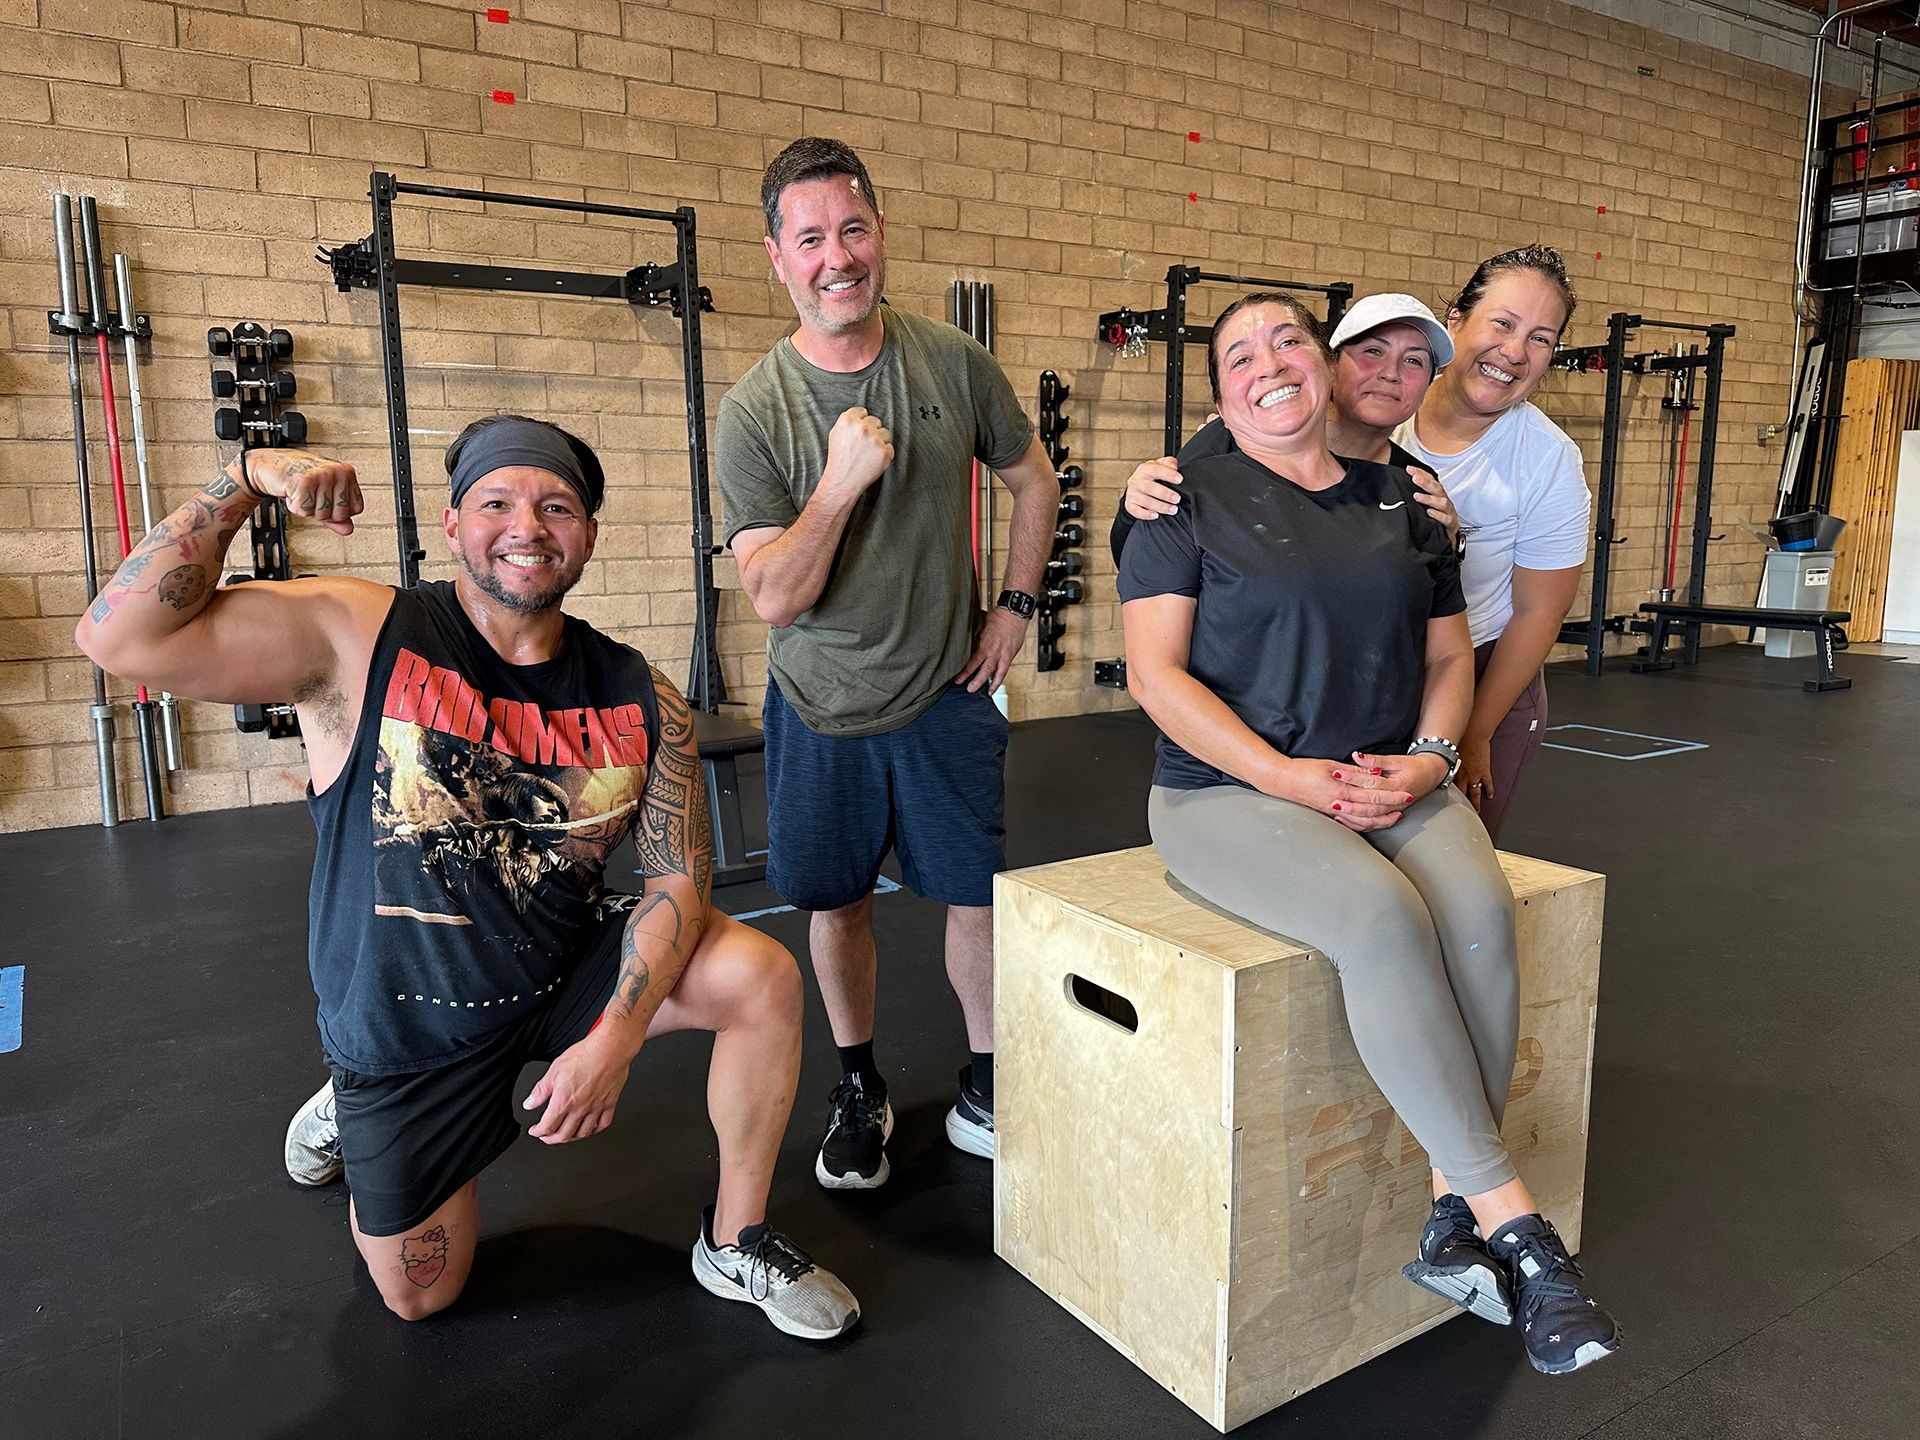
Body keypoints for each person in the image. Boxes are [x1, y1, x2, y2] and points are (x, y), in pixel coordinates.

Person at [74, 417, 860, 1339]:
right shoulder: (362, 636)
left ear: (589, 537)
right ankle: (348, 1096)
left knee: (760, 974)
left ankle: (736, 1239)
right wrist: (247, 478)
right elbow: (117, 637)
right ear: (453, 527)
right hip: (407, 1018)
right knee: (423, 1295)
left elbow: (677, 879)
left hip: (560, 966)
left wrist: (617, 1036)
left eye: (557, 506)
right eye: (497, 502)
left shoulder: (638, 690)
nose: (527, 525)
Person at [1118, 293, 1619, 1376]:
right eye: (1240, 354)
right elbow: (1154, 676)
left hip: (1391, 777)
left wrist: (1435, 759)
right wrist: (1289, 778)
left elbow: (1451, 660)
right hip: (1227, 794)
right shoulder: (1178, 501)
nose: (1269, 363)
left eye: (1285, 339)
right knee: (1386, 922)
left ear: (1319, 361)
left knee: (1483, 910)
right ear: (1219, 394)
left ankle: (1449, 1219)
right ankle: (1521, 1233)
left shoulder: (1408, 501)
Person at [713, 138, 1061, 1190]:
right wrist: (839, 483)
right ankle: (857, 1081)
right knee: (839, 905)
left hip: (951, 688)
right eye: (810, 238)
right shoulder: (756, 412)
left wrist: (1013, 610)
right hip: (820, 705)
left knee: (975, 898)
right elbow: (775, 594)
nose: (837, 258)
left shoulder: (951, 361)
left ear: (881, 236)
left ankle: (990, 1079)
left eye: (852, 230)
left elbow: (1035, 483)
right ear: (778, 258)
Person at [1392, 245, 1590, 841]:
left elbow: (1539, 612)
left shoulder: (1549, 460)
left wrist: (1473, 731)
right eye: (1502, 323)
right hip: (1374, 662)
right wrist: (1166, 478)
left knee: (1446, 864)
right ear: (1455, 321)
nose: (1514, 352)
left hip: (1486, 672)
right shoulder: (1383, 407)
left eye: (1541, 338)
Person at [1108, 291, 1461, 568]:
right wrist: (1134, 502)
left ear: (1430, 383)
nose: (1391, 373)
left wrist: (1451, 543)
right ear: (1330, 364)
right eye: (1373, 351)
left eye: (1414, 360)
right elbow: (1138, 549)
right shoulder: (1232, 440)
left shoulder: (1414, 482)